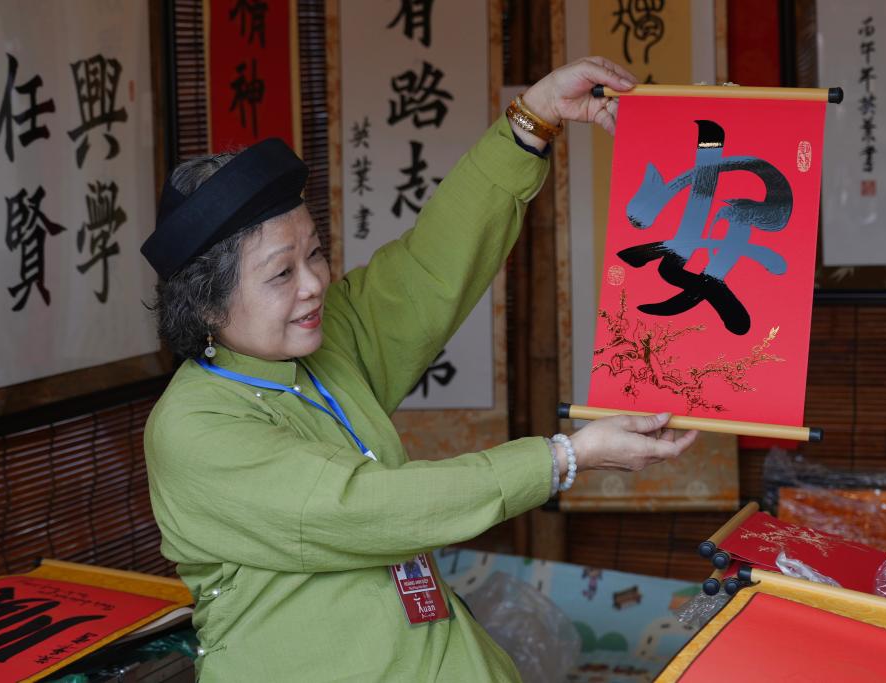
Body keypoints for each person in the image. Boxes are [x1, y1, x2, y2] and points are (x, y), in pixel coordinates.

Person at [141, 56, 698, 682]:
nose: (315, 283)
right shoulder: (193, 428)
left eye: (315, 254)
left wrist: (532, 120)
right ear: (208, 304)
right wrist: (563, 458)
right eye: (281, 273)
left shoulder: (324, 341)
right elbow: (364, 506)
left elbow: (430, 267)